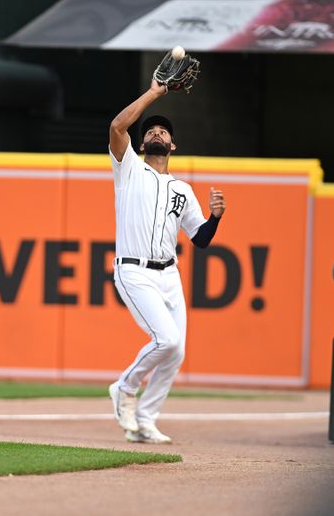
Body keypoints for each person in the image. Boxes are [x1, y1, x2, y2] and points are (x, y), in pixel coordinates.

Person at [107, 78, 226, 444]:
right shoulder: (129, 168)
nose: (157, 133)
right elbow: (116, 126)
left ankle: (145, 419)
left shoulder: (183, 189)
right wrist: (156, 92)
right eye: (151, 131)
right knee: (167, 340)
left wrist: (215, 218)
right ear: (142, 144)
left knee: (176, 352)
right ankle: (124, 388)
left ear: (173, 145)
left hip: (169, 275)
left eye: (164, 131)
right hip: (134, 270)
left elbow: (200, 240)